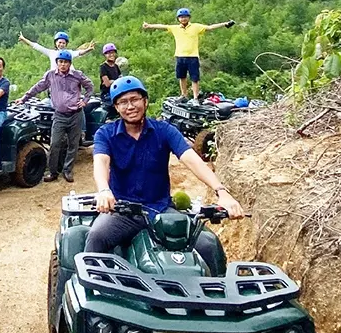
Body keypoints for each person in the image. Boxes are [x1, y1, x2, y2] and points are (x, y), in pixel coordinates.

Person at [86, 75, 245, 266]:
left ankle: (217, 291)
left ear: (145, 101)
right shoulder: (106, 133)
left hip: (160, 210)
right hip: (122, 211)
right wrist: (104, 190)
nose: (130, 106)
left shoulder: (164, 130)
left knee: (208, 246)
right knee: (97, 236)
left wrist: (222, 192)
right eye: (123, 102)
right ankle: (93, 288)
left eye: (135, 99)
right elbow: (101, 162)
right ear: (116, 107)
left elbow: (192, 159)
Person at [17, 51, 93, 183]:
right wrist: (24, 98)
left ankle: (68, 170)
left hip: (75, 115)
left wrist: (85, 100)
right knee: (54, 144)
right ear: (57, 63)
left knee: (73, 145)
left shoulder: (77, 75)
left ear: (70, 63)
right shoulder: (50, 75)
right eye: (61, 62)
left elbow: (90, 87)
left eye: (66, 62)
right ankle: (53, 172)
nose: (63, 65)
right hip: (59, 115)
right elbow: (38, 87)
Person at [142, 8, 235, 100]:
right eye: (181, 17)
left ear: (189, 17)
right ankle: (184, 95)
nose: (183, 19)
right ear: (178, 18)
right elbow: (162, 26)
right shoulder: (175, 28)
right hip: (180, 56)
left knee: (194, 78)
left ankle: (195, 97)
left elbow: (209, 27)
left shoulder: (195, 27)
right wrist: (149, 26)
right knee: (182, 77)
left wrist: (225, 24)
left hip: (192, 57)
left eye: (185, 17)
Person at [19, 31, 96, 69]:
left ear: (66, 44)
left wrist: (88, 49)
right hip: (55, 79)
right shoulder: (51, 53)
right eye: (60, 42)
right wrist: (24, 39)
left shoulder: (69, 53)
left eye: (63, 43)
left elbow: (80, 53)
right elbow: (36, 46)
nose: (61, 44)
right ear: (56, 43)